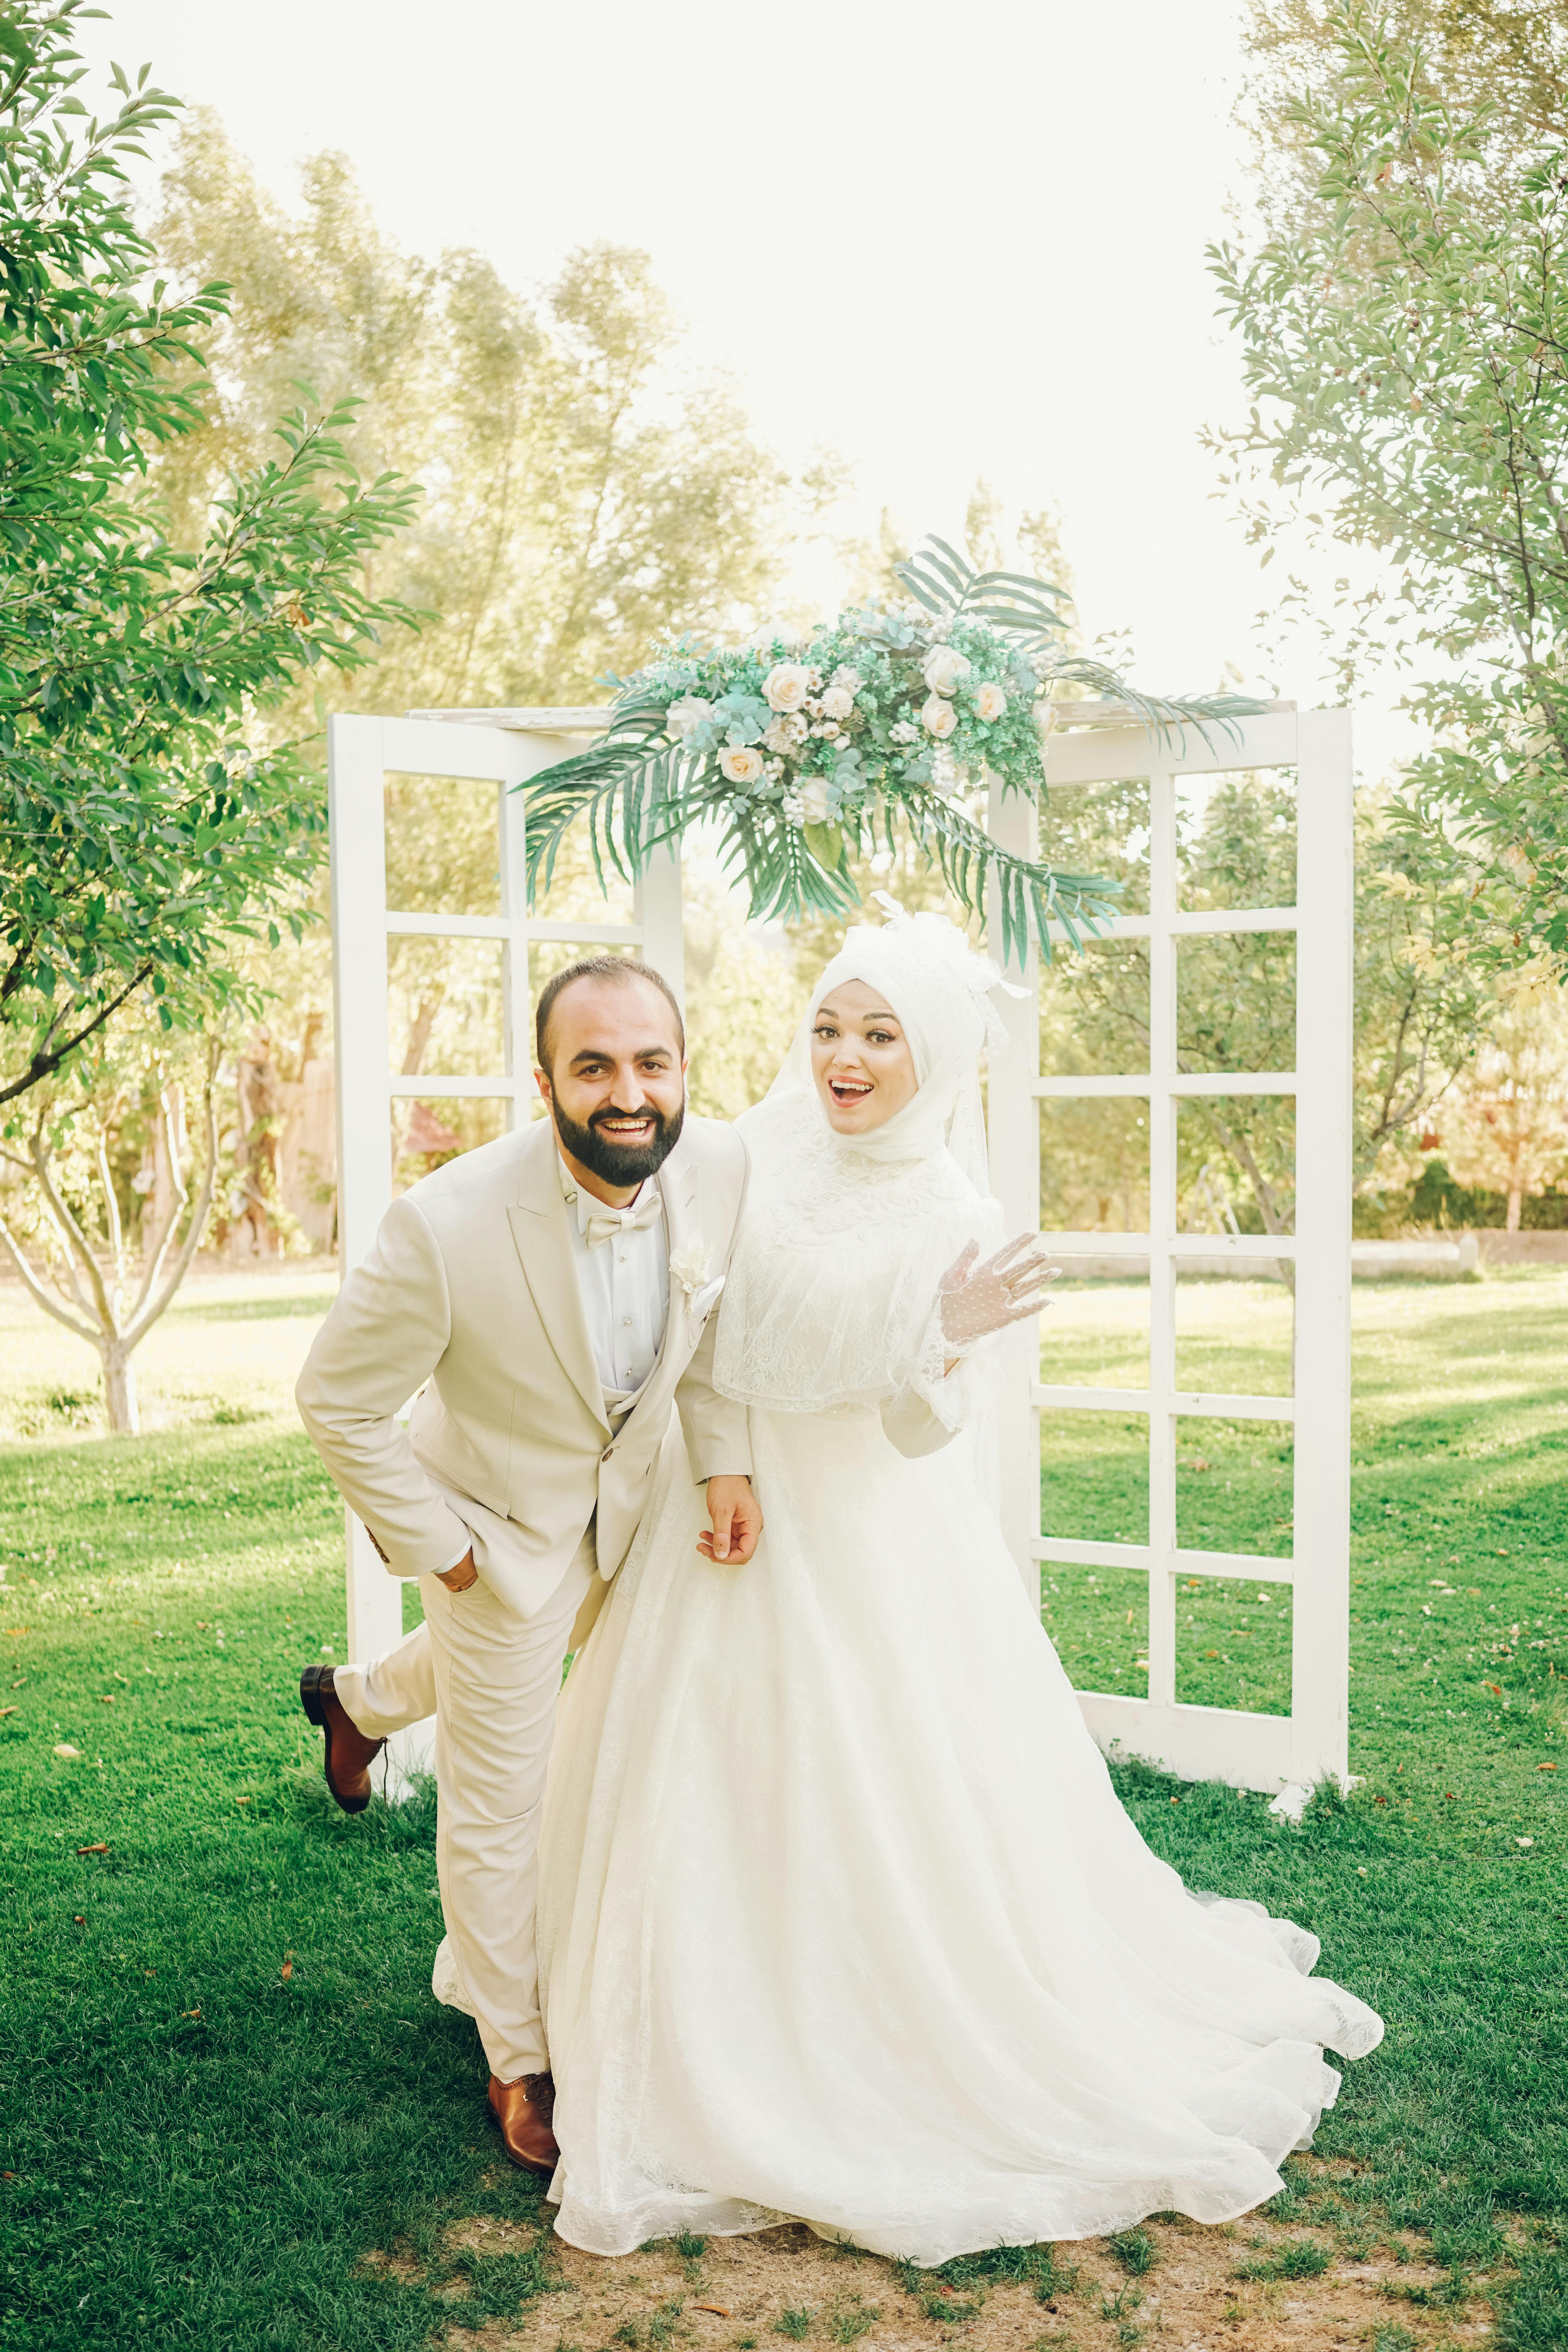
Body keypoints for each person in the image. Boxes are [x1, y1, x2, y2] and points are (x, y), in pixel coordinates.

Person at [535, 900, 1383, 2266]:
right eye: (827, 1028)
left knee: (878, 1797)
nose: (845, 1059)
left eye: (879, 1035)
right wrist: (725, 1470)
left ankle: (842, 2034)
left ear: (932, 1053)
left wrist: (945, 1337)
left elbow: (922, 1429)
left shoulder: (953, 1206)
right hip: (729, 1520)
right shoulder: (746, 1154)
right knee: (687, 1774)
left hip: (872, 1546)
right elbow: (706, 1341)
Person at [293, 956, 762, 2173]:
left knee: (532, 1684)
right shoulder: (442, 1225)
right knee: (505, 1799)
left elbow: (707, 1349)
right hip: (490, 1533)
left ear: (681, 1069)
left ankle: (352, 1703)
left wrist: (723, 1465)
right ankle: (516, 2054)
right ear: (545, 1076)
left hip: (636, 1520)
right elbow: (337, 1401)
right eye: (594, 1065)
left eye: (651, 1064)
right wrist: (442, 1554)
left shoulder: (717, 1168)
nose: (628, 1093)